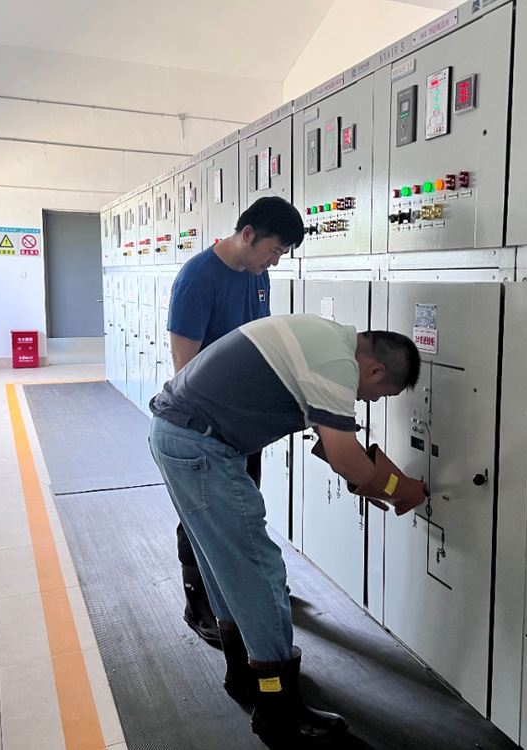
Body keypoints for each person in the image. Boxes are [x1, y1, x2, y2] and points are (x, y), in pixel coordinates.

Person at [148, 314, 429, 745]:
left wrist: (373, 480)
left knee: (227, 567)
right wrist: (399, 489)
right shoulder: (337, 365)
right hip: (202, 448)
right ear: (374, 370)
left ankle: (243, 676)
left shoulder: (325, 339)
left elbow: (335, 446)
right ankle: (279, 712)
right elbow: (345, 458)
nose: (369, 401)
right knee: (260, 573)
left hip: (178, 436)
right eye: (379, 394)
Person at [164, 196, 304, 647]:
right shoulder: (198, 278)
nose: (275, 260)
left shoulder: (257, 275)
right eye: (274, 250)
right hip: (205, 425)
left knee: (242, 507)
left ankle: (246, 590)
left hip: (243, 421)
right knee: (202, 512)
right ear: (247, 234)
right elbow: (185, 367)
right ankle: (199, 601)